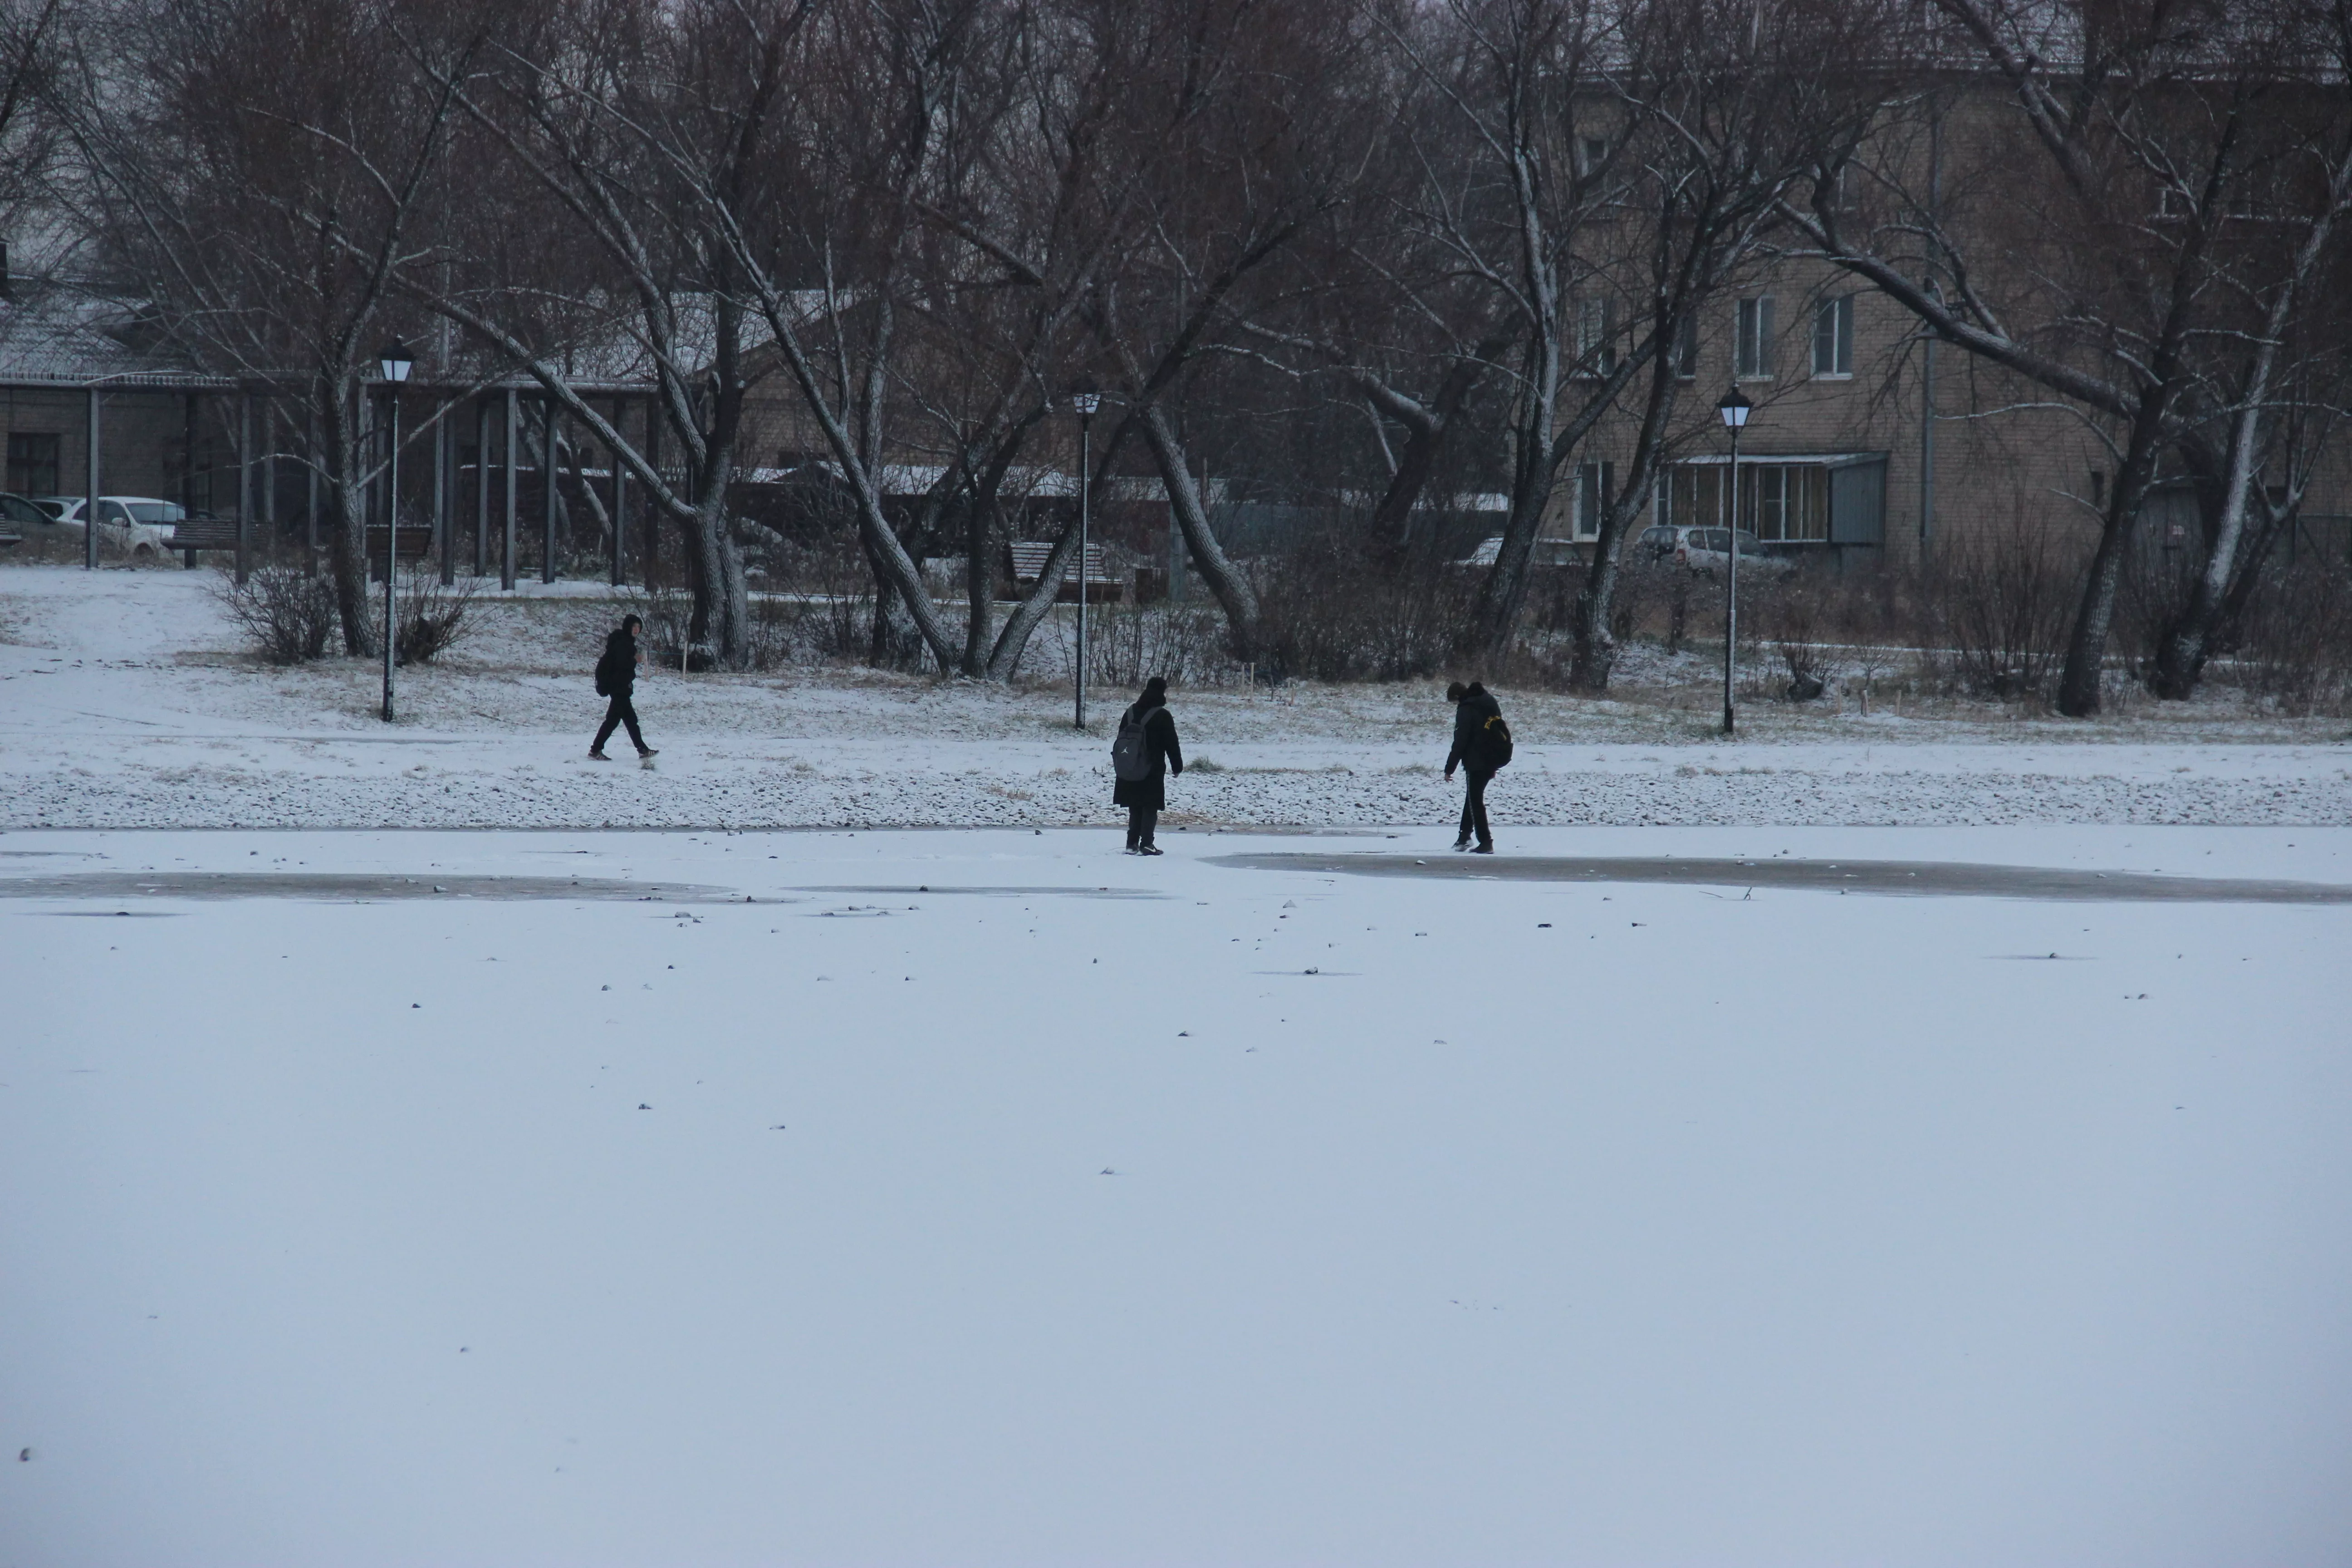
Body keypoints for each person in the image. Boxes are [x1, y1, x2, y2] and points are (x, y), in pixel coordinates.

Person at [1112, 675, 1183, 855]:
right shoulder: (1162, 715)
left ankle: (1131, 844)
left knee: (1134, 805)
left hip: (1129, 766)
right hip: (1152, 767)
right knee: (1150, 805)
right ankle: (1147, 844)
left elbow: (1121, 739)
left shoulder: (1130, 712)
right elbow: (1171, 743)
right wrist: (1177, 767)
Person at [1444, 679, 1504, 853]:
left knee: (1475, 801)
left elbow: (1461, 741)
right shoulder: (1487, 700)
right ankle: (1464, 837)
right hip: (1494, 756)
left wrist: (1449, 769)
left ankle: (1486, 842)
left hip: (1477, 760)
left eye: (1454, 702)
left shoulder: (1467, 708)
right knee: (1473, 797)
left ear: (1457, 697)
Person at [590, 614, 658, 760]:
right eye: (634, 626)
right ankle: (595, 751)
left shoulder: (624, 642)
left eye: (639, 627)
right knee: (615, 721)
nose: (636, 630)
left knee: (628, 720)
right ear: (628, 627)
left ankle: (642, 750)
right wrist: (634, 660)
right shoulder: (624, 643)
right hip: (619, 687)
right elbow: (621, 665)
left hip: (620, 687)